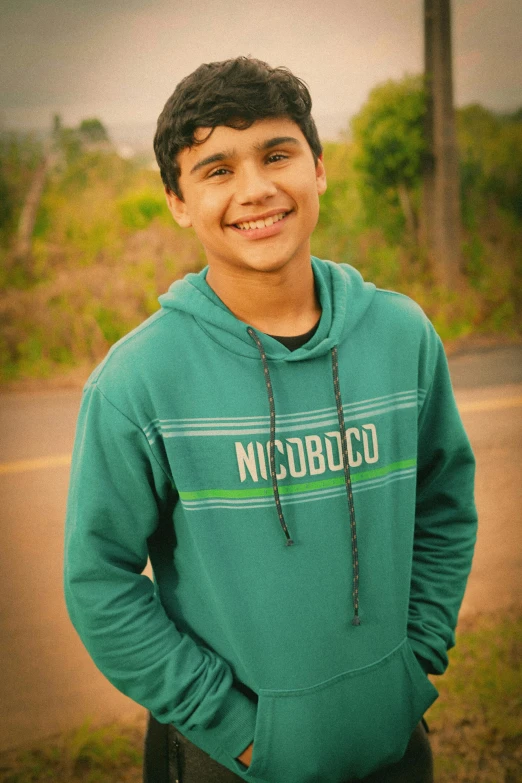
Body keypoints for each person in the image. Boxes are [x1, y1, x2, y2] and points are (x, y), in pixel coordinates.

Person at [64, 57, 477, 783]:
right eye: (216, 169)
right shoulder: (140, 380)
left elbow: (445, 505)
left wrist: (413, 663)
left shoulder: (402, 335)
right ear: (177, 201)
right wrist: (235, 727)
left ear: (317, 169)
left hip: (393, 744)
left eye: (276, 154)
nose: (255, 189)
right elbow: (99, 580)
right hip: (228, 760)